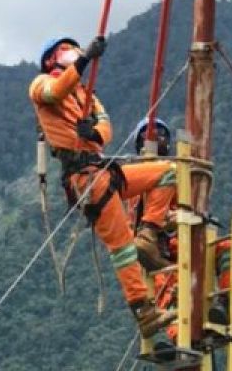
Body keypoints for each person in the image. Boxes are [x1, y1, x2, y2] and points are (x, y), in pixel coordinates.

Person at [28, 35, 177, 339]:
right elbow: (55, 93)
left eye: (73, 48)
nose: (72, 52)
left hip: (104, 170)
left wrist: (93, 133)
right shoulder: (40, 84)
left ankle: (149, 232)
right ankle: (143, 311)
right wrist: (82, 62)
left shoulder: (87, 96)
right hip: (84, 178)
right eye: (65, 50)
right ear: (51, 59)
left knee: (168, 173)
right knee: (122, 247)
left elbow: (106, 127)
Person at [128, 118, 232, 333]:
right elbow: (149, 214)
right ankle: (177, 337)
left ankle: (223, 302)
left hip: (179, 240)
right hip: (159, 243)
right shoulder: (141, 178)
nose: (159, 139)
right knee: (168, 283)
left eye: (161, 135)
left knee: (226, 248)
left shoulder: (175, 175)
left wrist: (194, 216)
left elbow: (181, 206)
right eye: (153, 136)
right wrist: (173, 218)